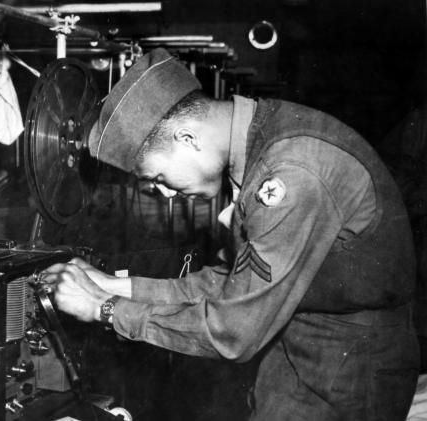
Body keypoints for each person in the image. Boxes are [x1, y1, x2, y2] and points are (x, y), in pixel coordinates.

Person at [41, 48, 419, 420]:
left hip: (347, 373)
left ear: (186, 138)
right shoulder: (261, 134)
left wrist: (104, 309)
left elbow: (234, 332)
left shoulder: (291, 173)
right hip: (298, 351)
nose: (167, 193)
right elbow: (228, 283)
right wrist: (115, 286)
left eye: (157, 177)